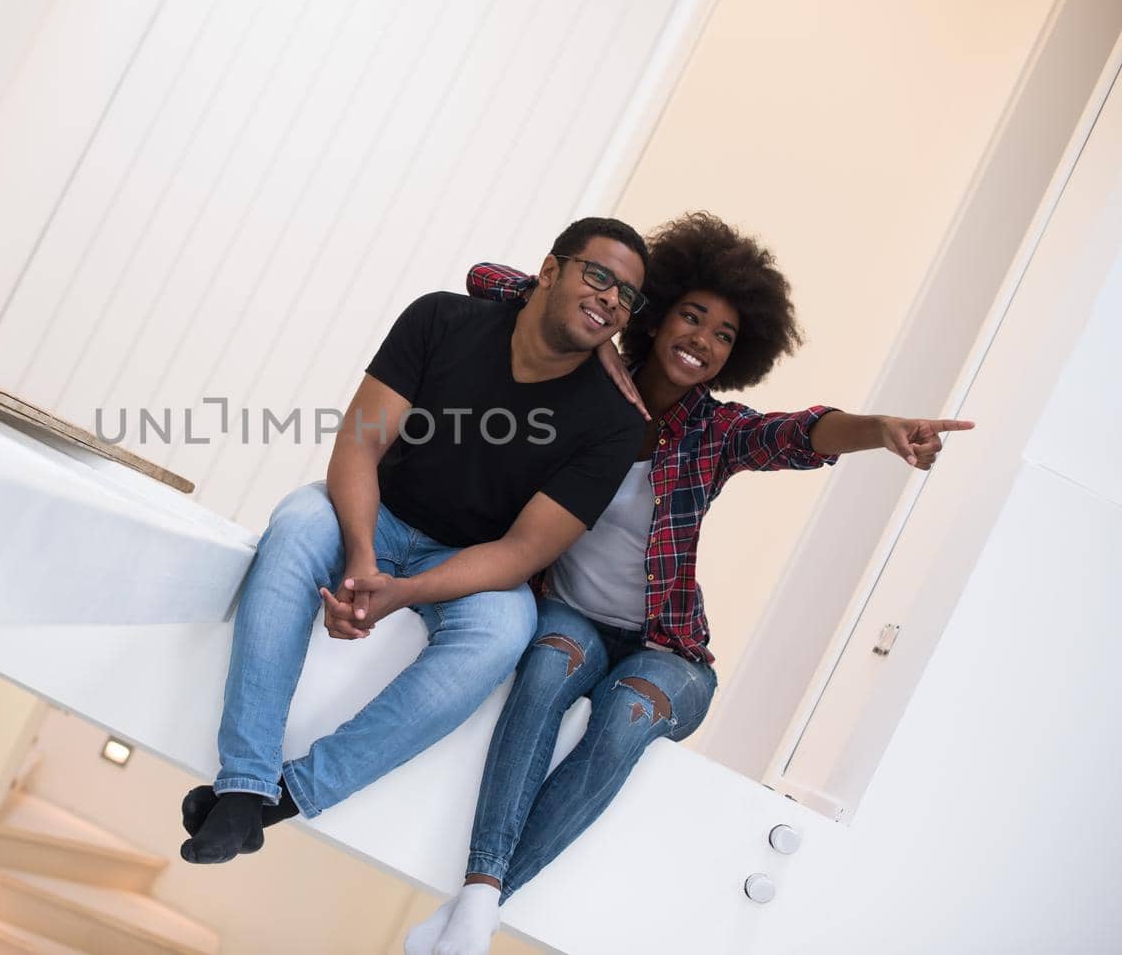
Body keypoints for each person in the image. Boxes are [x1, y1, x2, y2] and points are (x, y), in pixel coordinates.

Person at [403, 212, 974, 955]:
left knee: (626, 714)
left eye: (725, 335)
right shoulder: (588, 386)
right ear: (655, 312)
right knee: (547, 665)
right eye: (691, 316)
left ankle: (476, 914)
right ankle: (481, 896)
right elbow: (488, 278)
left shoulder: (717, 432)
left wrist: (879, 428)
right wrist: (599, 324)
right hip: (571, 614)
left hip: (666, 650)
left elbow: (800, 433)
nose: (702, 340)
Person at [179, 217, 653, 865]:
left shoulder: (615, 423)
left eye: (627, 294)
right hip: (375, 511)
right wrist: (362, 559)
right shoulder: (440, 321)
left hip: (474, 566)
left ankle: (284, 796)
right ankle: (243, 779)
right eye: (598, 276)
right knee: (293, 527)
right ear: (550, 270)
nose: (610, 298)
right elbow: (360, 443)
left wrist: (404, 592)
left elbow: (523, 551)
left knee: (503, 634)